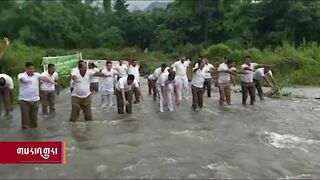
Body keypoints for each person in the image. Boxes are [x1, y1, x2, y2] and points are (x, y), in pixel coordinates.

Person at [18, 62, 53, 129]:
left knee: (34, 119)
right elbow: (21, 80)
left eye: (33, 69)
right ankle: (26, 134)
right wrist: (26, 80)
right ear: (26, 69)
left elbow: (43, 78)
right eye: (30, 69)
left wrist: (51, 81)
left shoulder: (36, 75)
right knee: (25, 117)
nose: (32, 70)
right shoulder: (21, 75)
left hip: (35, 99)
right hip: (24, 100)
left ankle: (34, 135)